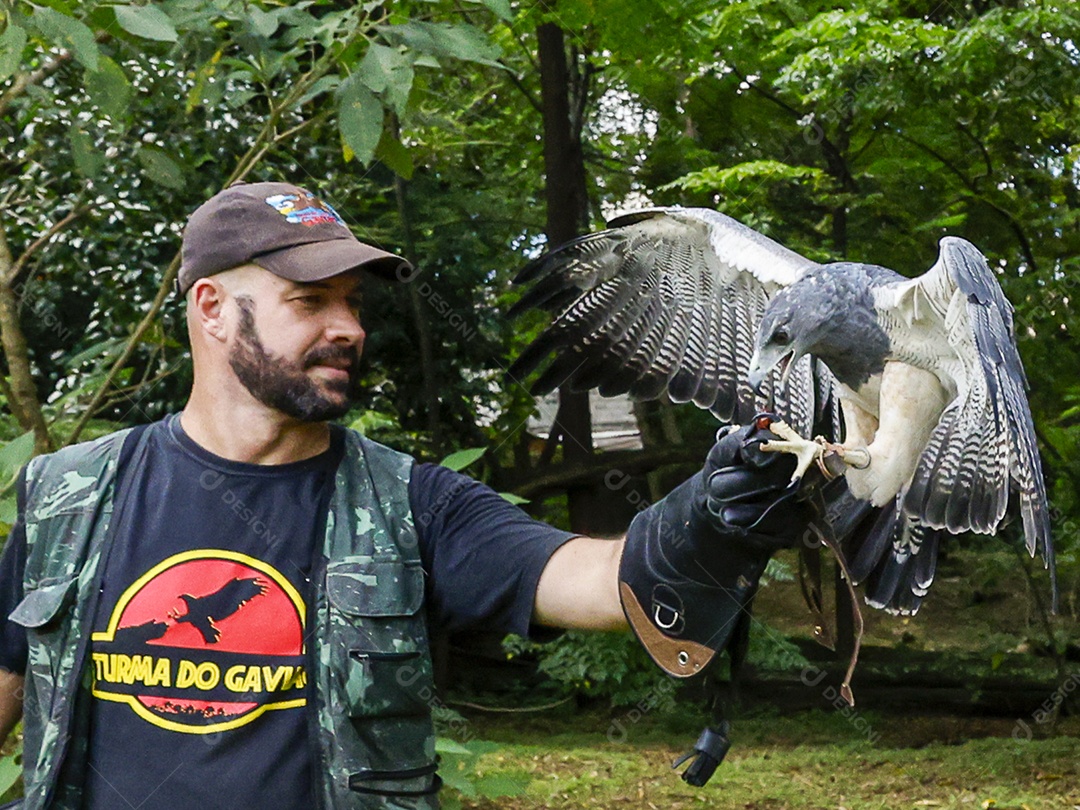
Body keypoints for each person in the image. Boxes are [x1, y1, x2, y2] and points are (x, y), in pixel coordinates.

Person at [0, 182, 810, 809]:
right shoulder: (69, 498)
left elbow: (598, 579)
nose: (349, 326)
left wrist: (709, 512)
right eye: (310, 301)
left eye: (354, 300)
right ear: (212, 309)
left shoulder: (407, 505)